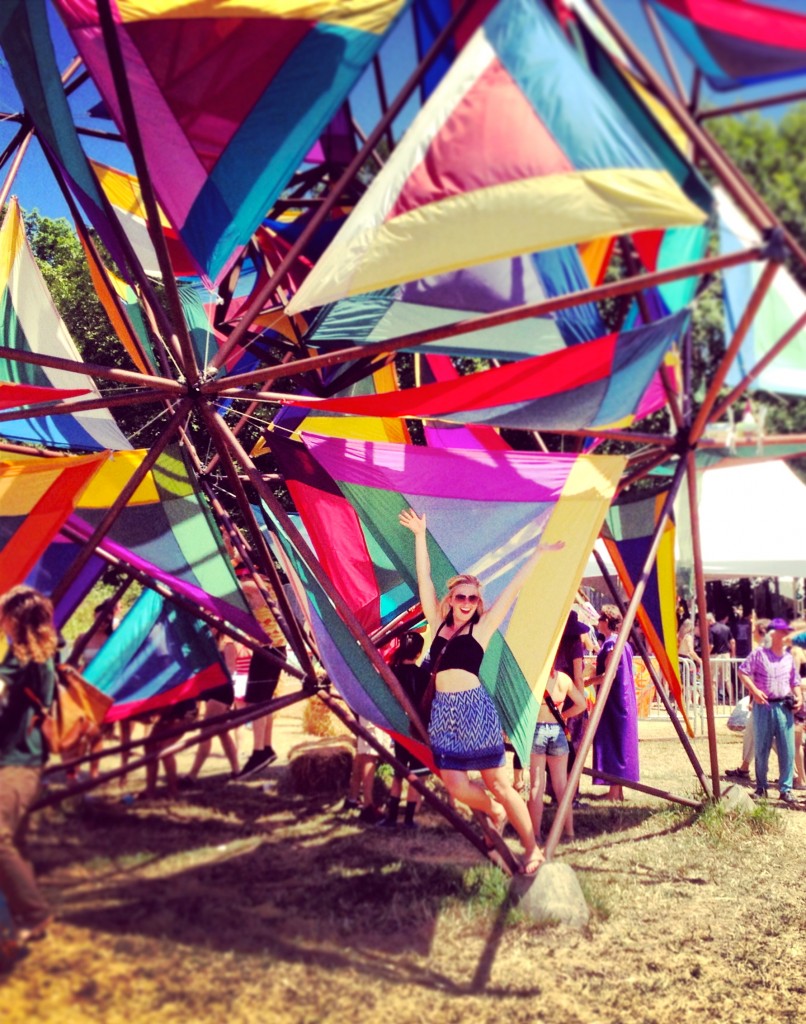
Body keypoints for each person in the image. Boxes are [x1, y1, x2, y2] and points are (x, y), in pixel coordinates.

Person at [399, 506, 563, 874]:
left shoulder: (482, 630)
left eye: (473, 599)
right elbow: (423, 578)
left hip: (475, 707)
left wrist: (537, 554)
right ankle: (495, 811)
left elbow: (513, 589)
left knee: (500, 783)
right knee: (456, 785)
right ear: (451, 599)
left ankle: (532, 849)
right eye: (461, 597)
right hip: (443, 710)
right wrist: (421, 536)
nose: (467, 604)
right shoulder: (436, 623)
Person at [0, 585, 58, 944]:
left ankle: (34, 914)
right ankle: (18, 916)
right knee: (14, 842)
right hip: (23, 758)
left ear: (15, 618)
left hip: (16, 762)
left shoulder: (23, 657)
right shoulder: (39, 655)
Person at [737, 617, 802, 804]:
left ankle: (785, 789)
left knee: (787, 749)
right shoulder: (758, 654)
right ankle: (761, 787)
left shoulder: (788, 658)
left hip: (784, 707)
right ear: (773, 634)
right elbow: (743, 672)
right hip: (763, 706)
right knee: (762, 748)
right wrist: (755, 691)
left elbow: (795, 681)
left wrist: (799, 697)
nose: (786, 635)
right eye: (783, 631)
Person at [234, 558, 288, 779]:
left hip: (268, 650)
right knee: (262, 702)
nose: (241, 579)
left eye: (242, 574)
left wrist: (230, 561)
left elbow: (234, 588)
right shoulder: (269, 585)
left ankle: (258, 751)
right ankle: (264, 747)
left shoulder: (256, 586)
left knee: (255, 702)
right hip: (272, 648)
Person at [528, 653, 587, 842]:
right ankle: (569, 832)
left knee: (537, 785)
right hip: (557, 731)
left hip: (537, 729)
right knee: (562, 787)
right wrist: (565, 715)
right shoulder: (564, 679)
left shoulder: (533, 677)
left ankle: (535, 835)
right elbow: (582, 704)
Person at [588, 604, 640, 801]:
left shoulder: (611, 644)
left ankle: (614, 792)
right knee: (620, 743)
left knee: (613, 743)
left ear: (606, 621)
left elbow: (608, 675)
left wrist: (587, 681)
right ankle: (617, 791)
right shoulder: (624, 644)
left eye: (600, 619)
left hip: (613, 700)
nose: (597, 623)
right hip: (623, 699)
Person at [379, 631, 430, 829]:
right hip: (418, 731)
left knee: (399, 773)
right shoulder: (424, 675)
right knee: (415, 775)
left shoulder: (391, 672)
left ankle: (391, 818)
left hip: (399, 728)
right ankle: (408, 819)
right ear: (418, 653)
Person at [182, 631, 240, 784]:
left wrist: (230, 703)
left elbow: (231, 669)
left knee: (205, 732)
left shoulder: (227, 643)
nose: (208, 622)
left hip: (221, 691)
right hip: (209, 690)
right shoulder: (206, 641)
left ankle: (192, 775)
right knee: (222, 732)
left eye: (212, 617)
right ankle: (237, 771)